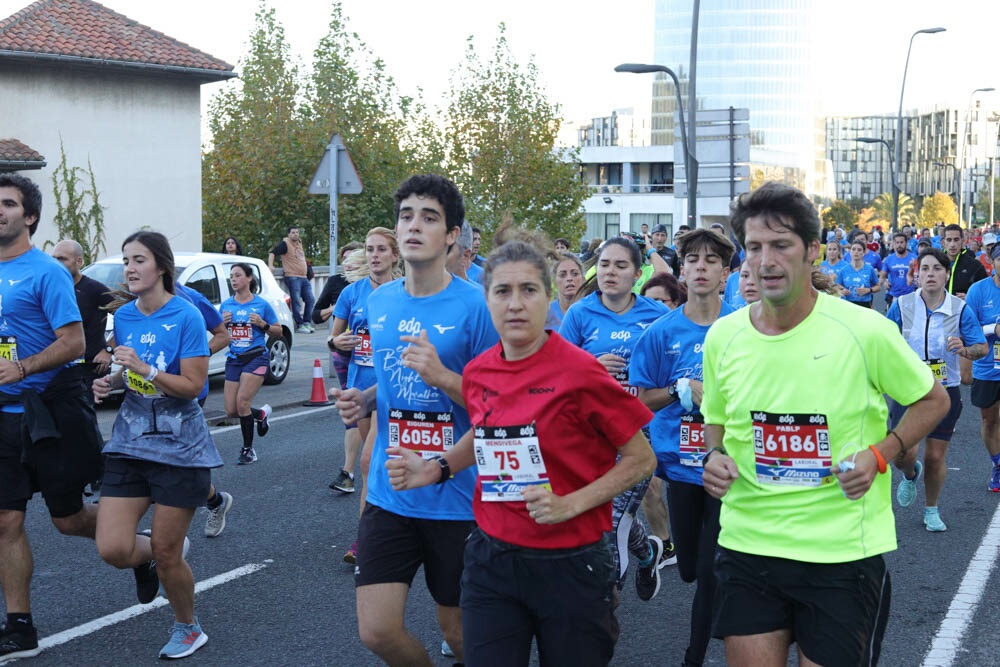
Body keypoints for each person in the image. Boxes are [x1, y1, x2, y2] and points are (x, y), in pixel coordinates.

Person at [700, 182, 949, 666]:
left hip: (840, 552)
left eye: (781, 245)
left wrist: (880, 453)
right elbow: (716, 419)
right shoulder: (723, 338)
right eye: (754, 247)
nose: (766, 260)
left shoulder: (864, 329)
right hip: (749, 543)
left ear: (812, 251)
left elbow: (932, 400)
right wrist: (714, 456)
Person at [386, 240, 656, 667]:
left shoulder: (581, 371)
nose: (515, 304)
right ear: (487, 299)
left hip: (573, 562)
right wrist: (437, 468)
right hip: (493, 557)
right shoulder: (478, 371)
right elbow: (487, 432)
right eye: (502, 292)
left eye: (529, 290)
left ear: (549, 298)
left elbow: (641, 459)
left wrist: (571, 503)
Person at [332, 174, 498, 666]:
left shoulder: (475, 307)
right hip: (391, 491)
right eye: (407, 215)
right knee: (377, 632)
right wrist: (365, 399)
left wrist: (444, 376)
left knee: (462, 635)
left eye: (429, 217)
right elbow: (393, 380)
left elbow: (497, 405)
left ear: (451, 235)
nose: (414, 226)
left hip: (456, 497)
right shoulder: (378, 301)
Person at [93, 230, 223, 660]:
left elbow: (193, 385)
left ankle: (188, 627)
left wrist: (145, 370)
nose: (129, 268)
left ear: (161, 267)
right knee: (112, 548)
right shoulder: (125, 316)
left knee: (169, 554)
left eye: (139, 260)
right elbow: (126, 371)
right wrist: (108, 380)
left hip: (180, 445)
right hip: (130, 440)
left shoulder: (186, 316)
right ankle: (152, 552)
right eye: (126, 260)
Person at [0, 174, 100, 662]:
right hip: (3, 417)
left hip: (51, 415)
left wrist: (20, 367)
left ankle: (143, 549)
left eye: (8, 203)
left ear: (29, 216)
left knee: (68, 520)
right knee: (6, 520)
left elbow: (75, 344)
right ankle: (20, 626)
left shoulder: (46, 272)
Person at [630, 228, 735, 667]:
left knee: (711, 569)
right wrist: (680, 389)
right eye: (693, 259)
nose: (702, 267)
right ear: (682, 270)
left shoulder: (743, 326)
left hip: (727, 465)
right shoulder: (661, 332)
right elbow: (640, 397)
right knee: (691, 567)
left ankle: (694, 655)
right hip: (680, 464)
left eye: (712, 260)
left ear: (726, 273)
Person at [560, 236, 671, 600]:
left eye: (621, 266)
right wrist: (589, 369)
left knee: (610, 522)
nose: (610, 272)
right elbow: (555, 375)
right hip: (591, 438)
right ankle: (648, 551)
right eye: (604, 264)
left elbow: (670, 371)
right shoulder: (579, 314)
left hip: (639, 436)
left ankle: (602, 603)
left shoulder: (656, 316)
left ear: (637, 274)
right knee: (606, 512)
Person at [886, 248, 987, 532]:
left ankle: (932, 509)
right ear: (917, 276)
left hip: (945, 391)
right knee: (903, 455)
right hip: (907, 390)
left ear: (946, 275)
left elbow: (982, 347)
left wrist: (965, 349)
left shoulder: (959, 309)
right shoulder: (902, 305)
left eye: (936, 269)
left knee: (934, 456)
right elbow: (883, 340)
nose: (930, 274)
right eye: (925, 269)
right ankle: (909, 474)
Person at [329, 227, 399, 500]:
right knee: (374, 465)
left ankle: (372, 533)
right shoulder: (351, 293)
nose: (375, 255)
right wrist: (337, 343)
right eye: (370, 249)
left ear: (395, 256)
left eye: (382, 249)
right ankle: (380, 519)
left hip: (390, 386)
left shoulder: (403, 292)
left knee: (369, 459)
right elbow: (333, 337)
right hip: (360, 386)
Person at [220, 262, 279, 465]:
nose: (233, 279)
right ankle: (261, 414)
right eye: (231, 276)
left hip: (256, 356)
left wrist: (263, 324)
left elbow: (278, 331)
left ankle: (248, 450)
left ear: (248, 278)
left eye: (237, 275)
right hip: (235, 358)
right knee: (231, 410)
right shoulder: (226, 305)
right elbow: (219, 333)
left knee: (242, 402)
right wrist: (223, 324)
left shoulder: (261, 304)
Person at [50, 239, 115, 388]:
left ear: (79, 262)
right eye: (53, 259)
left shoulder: (95, 289)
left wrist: (109, 349)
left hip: (88, 369)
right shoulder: (49, 289)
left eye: (62, 259)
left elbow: (130, 318)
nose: (56, 263)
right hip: (56, 367)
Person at [963, 243, 1000, 492]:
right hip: (987, 365)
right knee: (989, 421)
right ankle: (998, 465)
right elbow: (968, 327)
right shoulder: (978, 291)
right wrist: (993, 330)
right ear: (991, 260)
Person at [268, 224, 315, 334]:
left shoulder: (299, 243)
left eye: (297, 232)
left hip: (303, 277)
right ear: (288, 234)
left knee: (310, 299)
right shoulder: (285, 244)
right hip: (292, 276)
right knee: (296, 301)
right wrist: (271, 265)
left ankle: (307, 322)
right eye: (293, 232)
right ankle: (299, 324)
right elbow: (272, 253)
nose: (295, 234)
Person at [942, 222, 986, 299]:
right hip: (939, 309)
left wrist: (969, 298)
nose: (952, 244)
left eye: (956, 240)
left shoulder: (975, 266)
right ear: (943, 242)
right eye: (949, 240)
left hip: (964, 309)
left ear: (962, 241)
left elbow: (984, 293)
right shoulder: (936, 263)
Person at [837, 240, 880, 307]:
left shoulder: (869, 269)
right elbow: (837, 286)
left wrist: (869, 290)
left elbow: (878, 286)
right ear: (850, 252)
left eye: (859, 250)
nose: (856, 252)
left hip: (865, 304)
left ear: (863, 253)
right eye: (853, 249)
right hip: (848, 304)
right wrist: (842, 291)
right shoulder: (843, 270)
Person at [881, 232, 917, 308]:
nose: (899, 245)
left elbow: (920, 274)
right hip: (894, 295)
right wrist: (885, 282)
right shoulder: (889, 259)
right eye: (897, 243)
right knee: (892, 319)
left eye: (901, 242)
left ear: (906, 243)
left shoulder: (914, 258)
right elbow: (882, 276)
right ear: (894, 244)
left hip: (910, 295)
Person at [547, 252, 583, 328]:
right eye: (562, 275)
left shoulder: (594, 312)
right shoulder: (544, 314)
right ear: (554, 281)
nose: (569, 278)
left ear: (583, 279)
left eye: (575, 274)